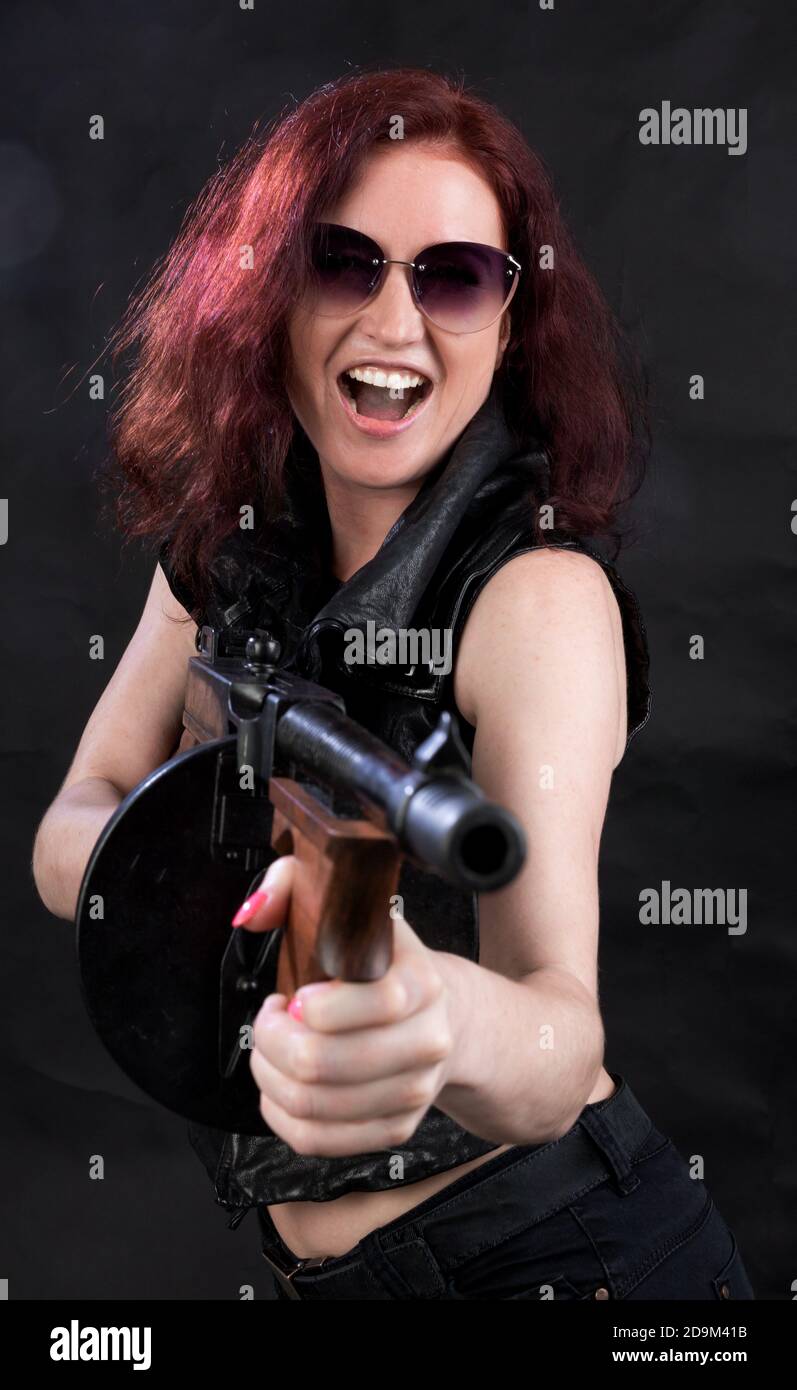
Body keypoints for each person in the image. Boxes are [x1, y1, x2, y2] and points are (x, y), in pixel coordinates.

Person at [32, 67, 755, 1301]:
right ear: (269, 285)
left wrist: (438, 1014)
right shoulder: (226, 542)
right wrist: (227, 866)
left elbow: (555, 1031)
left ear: (510, 319)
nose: (393, 323)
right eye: (343, 262)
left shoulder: (535, 599)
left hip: (560, 1261)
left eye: (453, 276)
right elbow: (74, 818)